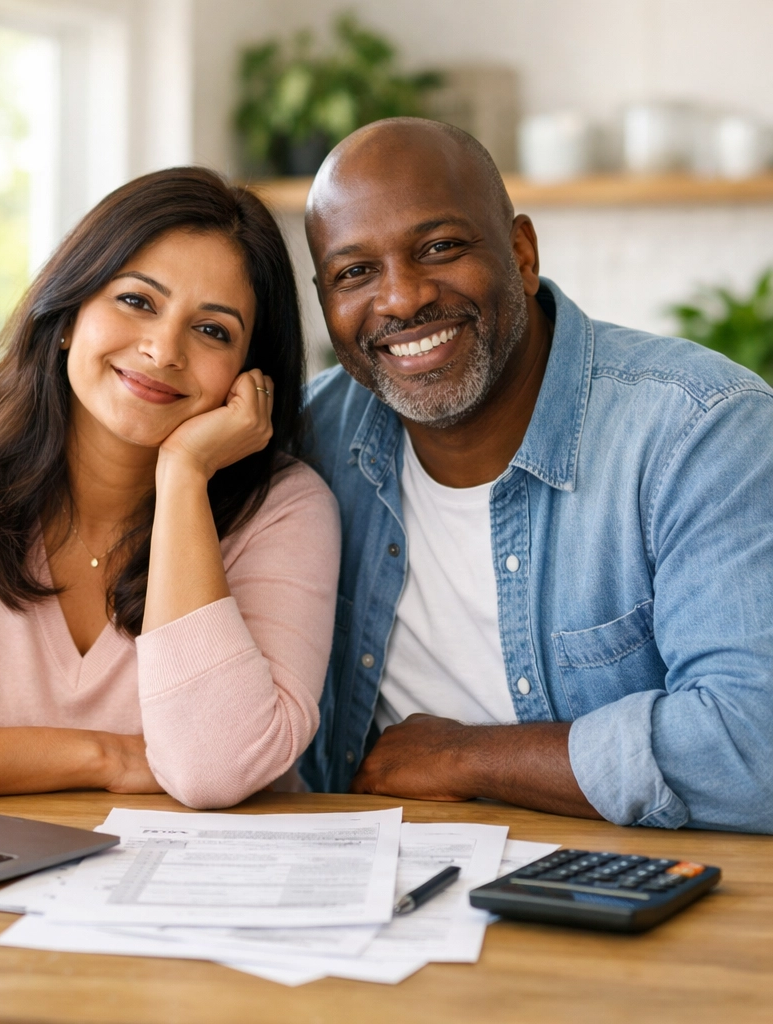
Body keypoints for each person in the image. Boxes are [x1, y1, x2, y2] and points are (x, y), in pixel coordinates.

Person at [299, 118, 773, 832]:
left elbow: (753, 748)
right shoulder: (311, 439)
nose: (401, 299)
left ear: (521, 253)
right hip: (376, 886)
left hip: (634, 900)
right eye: (354, 272)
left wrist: (466, 757)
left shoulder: (699, 429)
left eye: (439, 248)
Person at [0, 167, 339, 810]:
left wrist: (183, 476)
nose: (163, 349)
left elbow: (214, 770)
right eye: (137, 301)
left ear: (247, 373)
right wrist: (108, 757)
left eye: (212, 330)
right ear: (70, 312)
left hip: (198, 894)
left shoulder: (285, 510)